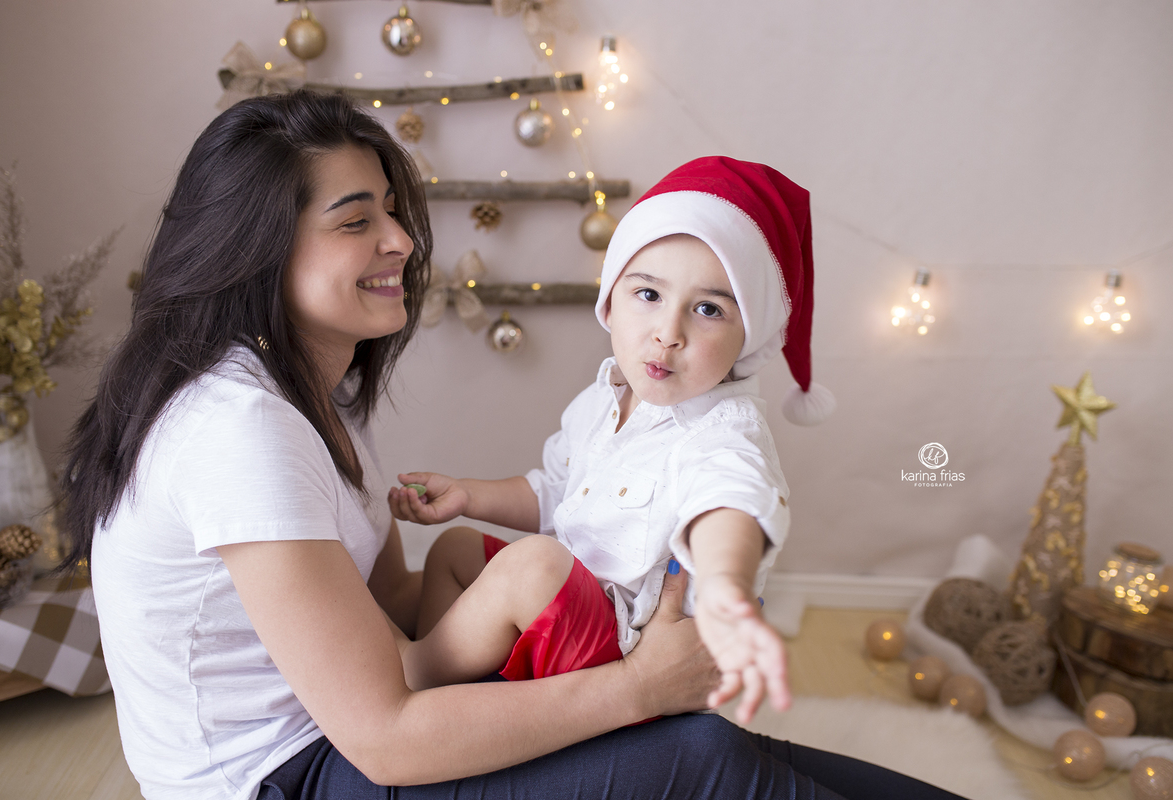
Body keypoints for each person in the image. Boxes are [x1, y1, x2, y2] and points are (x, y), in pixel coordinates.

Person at [60, 91, 966, 800]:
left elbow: (394, 614)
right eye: (355, 221)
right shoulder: (237, 428)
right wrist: (638, 687)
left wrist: (504, 577)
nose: (401, 241)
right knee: (694, 758)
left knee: (713, 749)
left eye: (391, 211)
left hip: (343, 731)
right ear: (255, 250)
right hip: (286, 778)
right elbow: (379, 733)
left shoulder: (305, 399)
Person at [388, 158, 834, 723]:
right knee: (455, 549)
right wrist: (468, 495)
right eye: (648, 295)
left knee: (534, 566)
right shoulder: (603, 400)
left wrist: (725, 583)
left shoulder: (724, 430)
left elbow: (730, 503)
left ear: (750, 336)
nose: (668, 333)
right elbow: (555, 493)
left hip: (628, 655)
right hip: (571, 614)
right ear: (611, 297)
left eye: (707, 310)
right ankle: (459, 688)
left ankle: (412, 675)